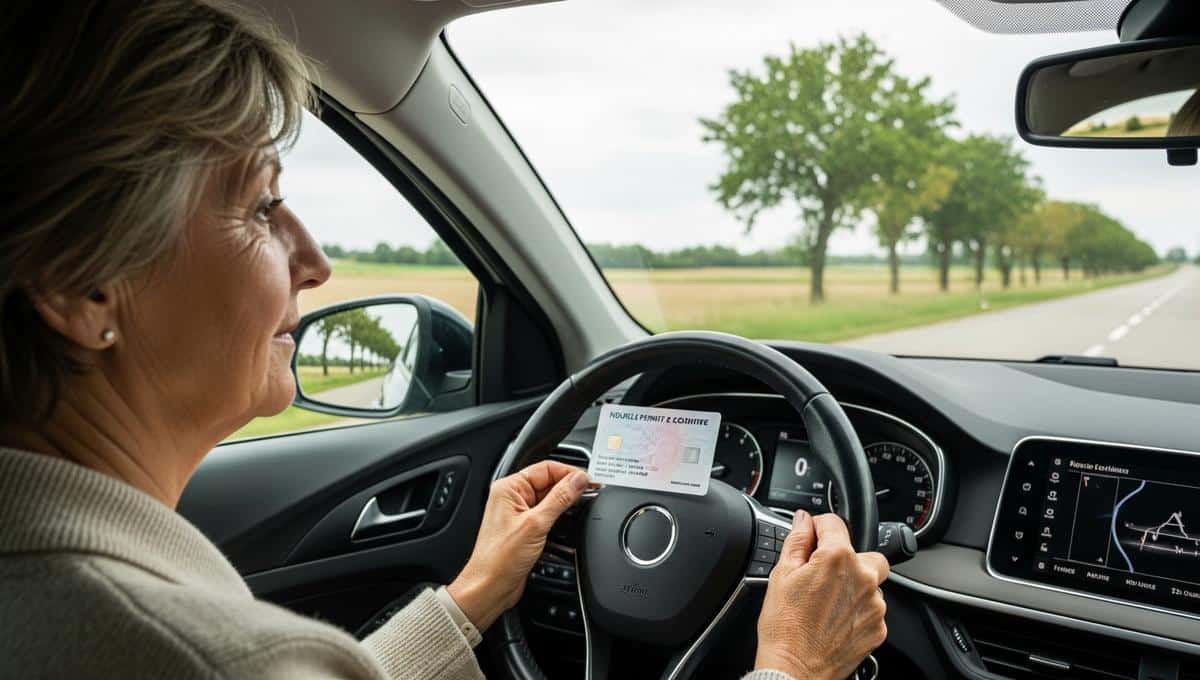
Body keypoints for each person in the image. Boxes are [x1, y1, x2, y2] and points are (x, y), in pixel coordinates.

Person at [0, 1, 888, 679]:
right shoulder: (197, 650)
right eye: (262, 206)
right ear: (81, 285)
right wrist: (793, 663)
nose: (312, 262)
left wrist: (472, 597)